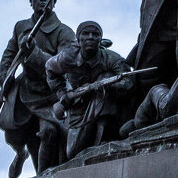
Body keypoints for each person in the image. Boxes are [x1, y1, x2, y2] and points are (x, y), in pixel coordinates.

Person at [0, 0, 75, 178]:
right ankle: (20, 154)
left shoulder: (64, 31)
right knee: (12, 134)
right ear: (31, 1)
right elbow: (9, 55)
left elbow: (63, 64)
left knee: (49, 133)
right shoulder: (21, 26)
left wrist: (34, 52)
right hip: (24, 90)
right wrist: (4, 81)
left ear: (53, 2)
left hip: (50, 93)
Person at [45, 21, 135, 159]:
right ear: (78, 39)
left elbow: (128, 82)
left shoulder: (112, 58)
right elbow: (50, 69)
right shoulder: (67, 57)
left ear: (100, 39)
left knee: (107, 77)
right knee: (73, 152)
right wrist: (63, 95)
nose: (91, 37)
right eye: (86, 33)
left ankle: (107, 136)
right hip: (78, 106)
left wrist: (108, 85)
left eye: (96, 34)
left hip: (103, 101)